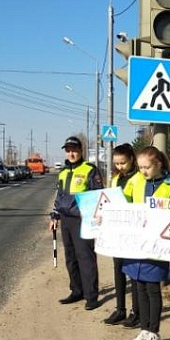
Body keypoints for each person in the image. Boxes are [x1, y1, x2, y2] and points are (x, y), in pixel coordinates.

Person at [123, 146, 170, 340]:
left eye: (147, 167)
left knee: (152, 290)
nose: (143, 171)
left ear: (158, 164)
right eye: (140, 168)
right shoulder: (136, 180)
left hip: (157, 246)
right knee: (139, 288)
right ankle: (144, 330)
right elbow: (123, 203)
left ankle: (154, 333)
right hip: (136, 245)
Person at [48, 136, 104, 311]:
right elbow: (60, 196)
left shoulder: (90, 170)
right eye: (68, 150)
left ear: (81, 150)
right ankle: (76, 290)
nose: (71, 153)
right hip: (65, 219)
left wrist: (97, 217)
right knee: (71, 258)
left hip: (83, 220)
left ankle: (91, 296)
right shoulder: (63, 171)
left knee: (85, 258)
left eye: (74, 150)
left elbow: (98, 195)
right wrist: (54, 216)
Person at [103, 143, 141, 326]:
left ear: (132, 159)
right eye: (117, 163)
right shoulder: (115, 179)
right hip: (116, 232)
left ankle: (136, 311)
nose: (120, 167)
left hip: (132, 231)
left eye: (123, 163)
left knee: (133, 272)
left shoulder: (139, 179)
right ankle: (120, 309)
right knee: (118, 270)